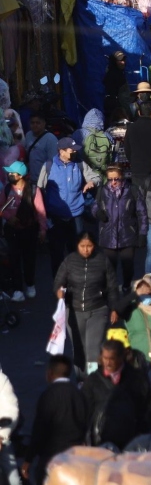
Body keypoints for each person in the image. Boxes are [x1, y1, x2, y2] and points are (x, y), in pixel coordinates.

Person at [24, 355, 86, 485]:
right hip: (76, 458)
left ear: (50, 373)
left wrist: (28, 459)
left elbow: (39, 430)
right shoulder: (78, 394)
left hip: (51, 458)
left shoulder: (48, 396)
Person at [55, 231, 118, 371]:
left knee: (92, 352)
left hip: (98, 310)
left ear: (94, 246)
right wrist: (59, 291)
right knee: (78, 351)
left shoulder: (103, 260)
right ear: (77, 245)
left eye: (89, 246)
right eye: (82, 246)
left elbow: (112, 287)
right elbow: (59, 282)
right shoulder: (69, 261)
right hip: (74, 311)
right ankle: (80, 381)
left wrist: (114, 308)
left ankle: (92, 383)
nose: (86, 249)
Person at [40, 137, 100, 277]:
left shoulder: (79, 164)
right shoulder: (49, 166)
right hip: (56, 217)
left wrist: (92, 182)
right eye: (71, 150)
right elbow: (39, 189)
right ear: (61, 151)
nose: (74, 152)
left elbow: (96, 177)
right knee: (56, 252)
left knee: (77, 250)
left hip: (76, 215)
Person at [82, 338, 151, 448]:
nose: (108, 363)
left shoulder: (136, 379)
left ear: (121, 358)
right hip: (100, 441)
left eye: (111, 359)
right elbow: (84, 411)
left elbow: (148, 407)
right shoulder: (93, 381)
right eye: (105, 358)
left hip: (132, 441)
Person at [93, 164, 147, 292]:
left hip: (127, 234)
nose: (113, 182)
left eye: (116, 179)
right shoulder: (102, 190)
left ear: (121, 177)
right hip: (108, 235)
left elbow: (142, 212)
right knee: (109, 267)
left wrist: (142, 234)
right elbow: (94, 206)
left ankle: (126, 286)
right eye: (110, 179)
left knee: (127, 266)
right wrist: (98, 213)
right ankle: (110, 289)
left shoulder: (132, 190)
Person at [1, 160, 46, 302]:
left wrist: (42, 230)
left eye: (11, 173)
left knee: (29, 259)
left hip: (29, 230)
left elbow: (41, 212)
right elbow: (1, 208)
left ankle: (30, 284)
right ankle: (17, 289)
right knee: (14, 259)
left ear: (20, 175)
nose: (9, 175)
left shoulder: (33, 190)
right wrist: (9, 217)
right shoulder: (7, 189)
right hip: (12, 230)